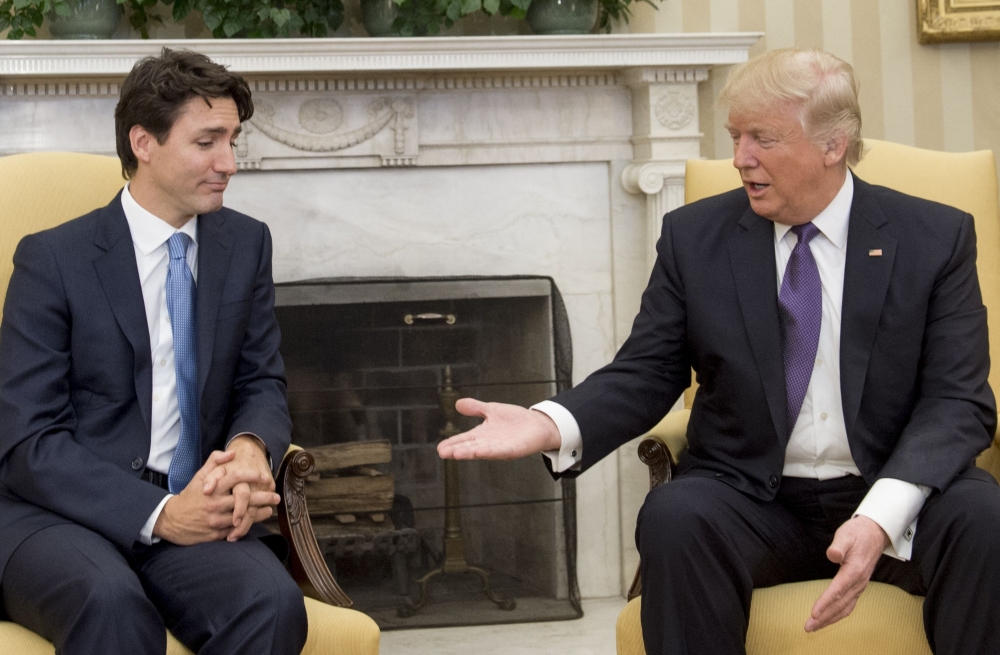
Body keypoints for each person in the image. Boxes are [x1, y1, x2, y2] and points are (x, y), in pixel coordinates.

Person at [438, 48, 1000, 655]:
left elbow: (958, 401)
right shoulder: (695, 237)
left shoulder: (933, 237)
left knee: (982, 518)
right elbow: (648, 370)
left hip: (893, 494)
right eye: (735, 137)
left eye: (763, 138)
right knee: (676, 516)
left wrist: (880, 516)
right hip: (753, 499)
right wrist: (550, 422)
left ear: (833, 145)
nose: (740, 159)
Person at [0, 48, 308, 654]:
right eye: (207, 142)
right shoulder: (52, 260)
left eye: (234, 141)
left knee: (271, 605)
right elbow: (27, 442)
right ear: (144, 143)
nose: (229, 163)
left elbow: (260, 383)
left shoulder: (245, 244)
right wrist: (161, 513)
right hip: (59, 514)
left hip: (196, 504)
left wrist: (251, 447)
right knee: (111, 604)